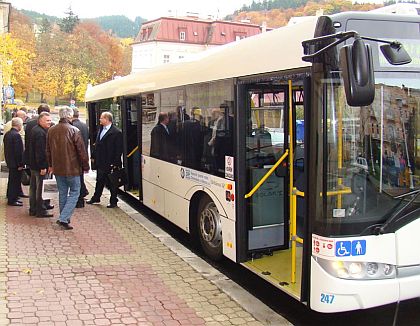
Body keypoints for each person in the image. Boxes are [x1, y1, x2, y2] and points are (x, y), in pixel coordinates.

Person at [47, 107, 89, 230]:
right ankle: (64, 218)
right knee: (75, 192)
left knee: (63, 193)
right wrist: (85, 166)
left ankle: (64, 218)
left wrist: (51, 165)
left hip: (58, 168)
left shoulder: (51, 130)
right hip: (73, 168)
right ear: (70, 116)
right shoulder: (74, 130)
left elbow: (48, 150)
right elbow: (81, 151)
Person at [87, 112, 123, 208]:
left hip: (110, 162)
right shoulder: (101, 129)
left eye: (101, 118)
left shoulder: (116, 132)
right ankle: (96, 197)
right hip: (101, 161)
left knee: (112, 183)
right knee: (100, 180)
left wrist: (115, 163)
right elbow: (97, 144)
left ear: (107, 119)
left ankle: (113, 201)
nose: (100, 120)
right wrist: (94, 156)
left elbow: (118, 149)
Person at [24, 104, 54, 211]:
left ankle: (33, 208)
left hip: (32, 163)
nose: (50, 123)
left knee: (33, 187)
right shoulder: (41, 133)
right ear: (40, 120)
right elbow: (41, 152)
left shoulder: (34, 128)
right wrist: (43, 166)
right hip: (39, 165)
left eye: (50, 120)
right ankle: (40, 209)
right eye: (47, 121)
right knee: (40, 187)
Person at [3, 117, 24, 206]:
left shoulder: (8, 134)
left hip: (10, 161)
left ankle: (11, 196)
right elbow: (18, 151)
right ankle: (13, 199)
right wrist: (20, 163)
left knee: (12, 180)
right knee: (15, 181)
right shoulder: (16, 135)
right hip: (15, 163)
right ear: (19, 125)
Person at [72, 108, 89, 208]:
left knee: (76, 180)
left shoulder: (72, 127)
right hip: (84, 154)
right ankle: (82, 196)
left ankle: (79, 199)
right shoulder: (84, 125)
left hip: (75, 157)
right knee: (80, 178)